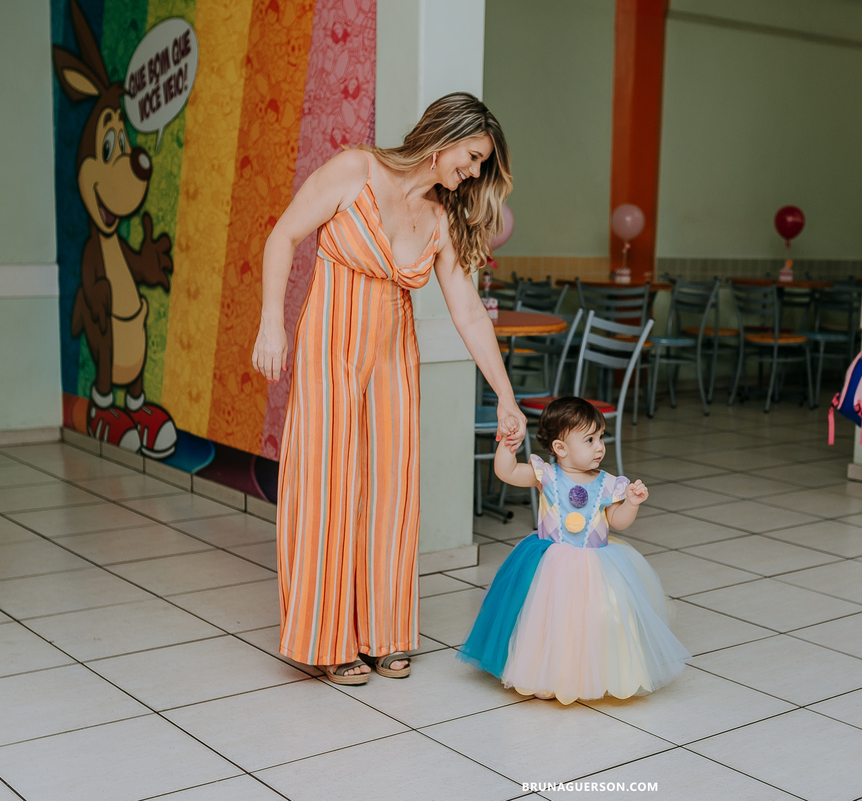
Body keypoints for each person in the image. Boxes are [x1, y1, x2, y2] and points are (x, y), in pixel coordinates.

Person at [251, 93, 528, 685]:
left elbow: (470, 313)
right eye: (474, 157)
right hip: (330, 347)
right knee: (326, 486)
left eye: (482, 165)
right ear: (446, 135)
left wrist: (505, 395)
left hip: (393, 360)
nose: (474, 172)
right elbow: (282, 237)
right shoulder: (356, 170)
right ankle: (324, 639)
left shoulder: (444, 216)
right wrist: (271, 320)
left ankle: (383, 633)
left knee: (390, 490)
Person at [457, 397, 689, 704]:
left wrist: (631, 503)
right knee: (546, 619)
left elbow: (617, 522)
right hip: (551, 562)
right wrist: (507, 447)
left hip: (597, 565)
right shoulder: (547, 476)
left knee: (598, 619)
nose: (599, 447)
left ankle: (597, 674)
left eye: (601, 437)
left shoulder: (608, 484)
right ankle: (544, 674)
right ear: (560, 448)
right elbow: (508, 473)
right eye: (589, 439)